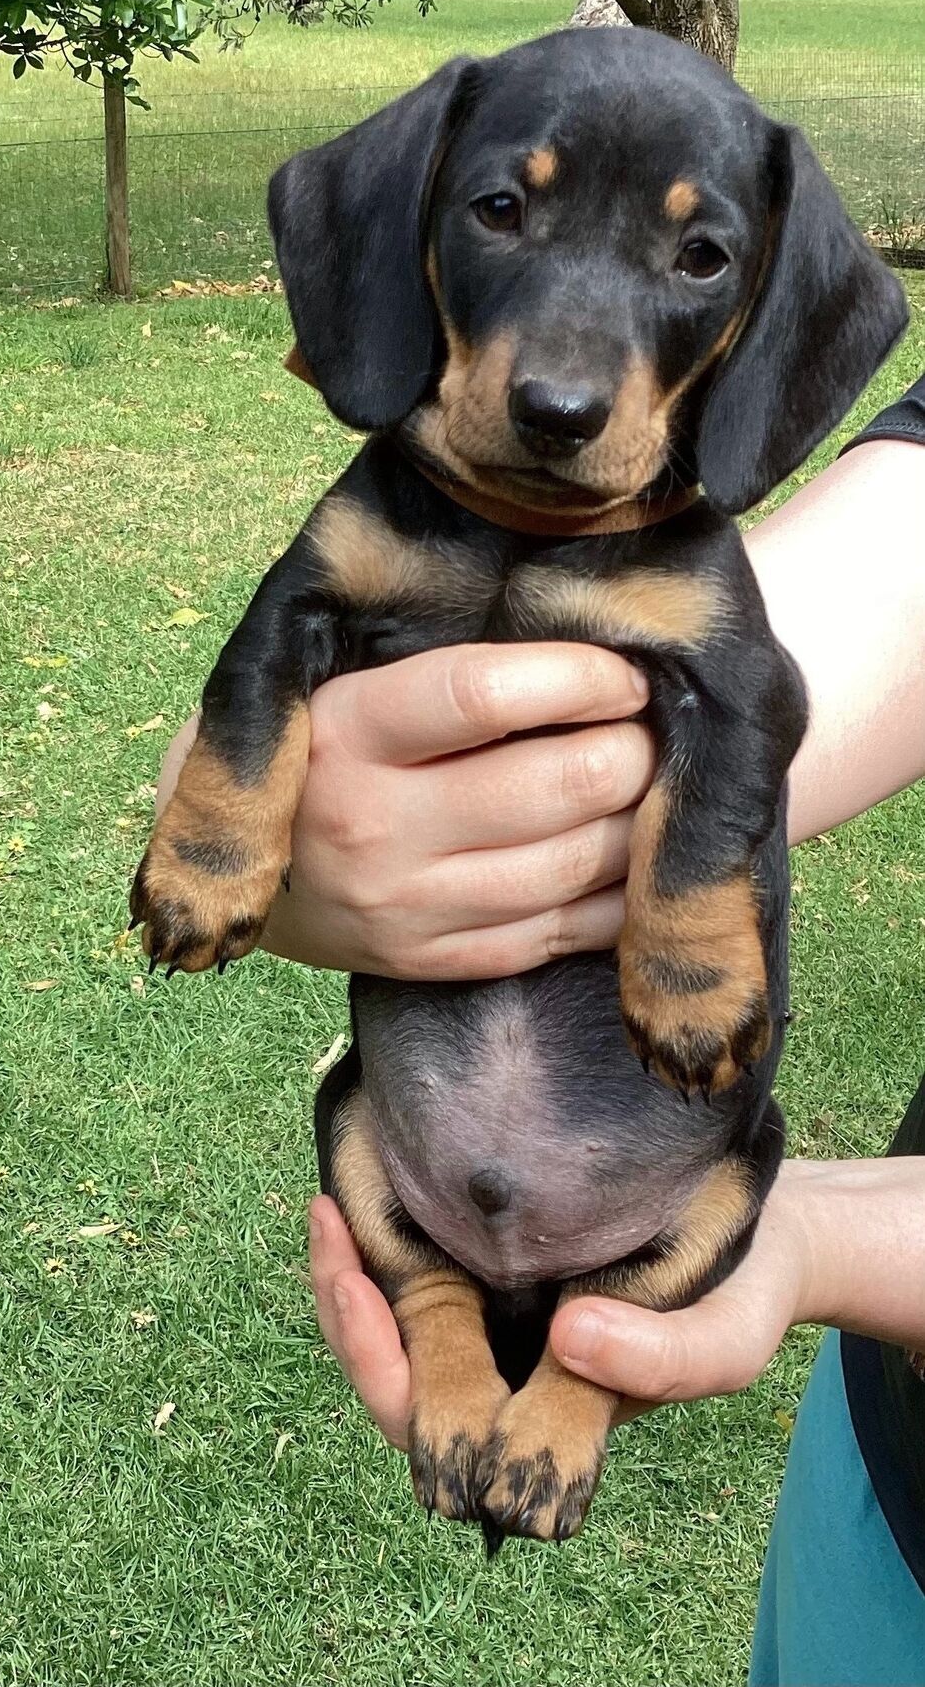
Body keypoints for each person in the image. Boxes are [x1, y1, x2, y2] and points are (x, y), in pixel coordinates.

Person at [159, 380, 925, 1687]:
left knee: (726, 1171)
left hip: (716, 1234)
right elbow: (788, 647)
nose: (566, 377)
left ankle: (549, 1376)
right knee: (354, 1121)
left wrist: (830, 1241)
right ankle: (445, 1315)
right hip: (886, 1494)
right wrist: (282, 796)